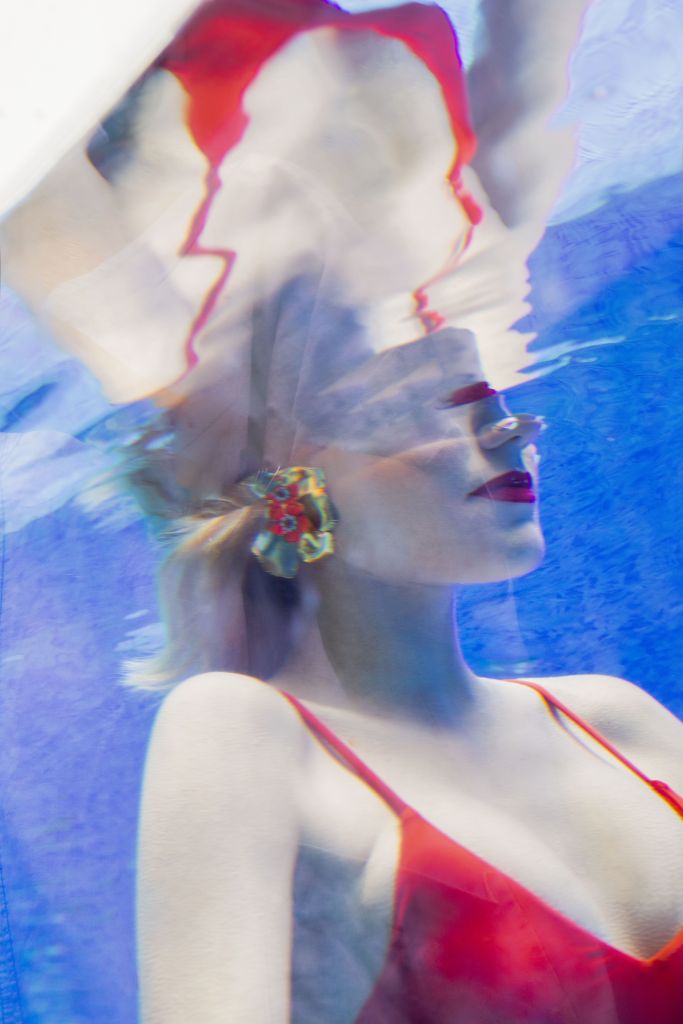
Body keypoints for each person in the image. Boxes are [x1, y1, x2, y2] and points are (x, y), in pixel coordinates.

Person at [2, 2, 682, 1022]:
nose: (511, 427)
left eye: (494, 398)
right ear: (290, 489)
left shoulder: (614, 717)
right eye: (438, 406)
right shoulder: (241, 732)